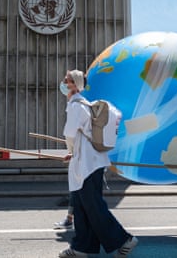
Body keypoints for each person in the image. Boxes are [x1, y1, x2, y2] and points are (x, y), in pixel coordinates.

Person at [58, 70, 138, 258]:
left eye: (67, 80)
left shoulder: (77, 106)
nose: (63, 83)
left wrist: (70, 151)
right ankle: (82, 248)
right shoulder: (81, 105)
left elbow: (69, 133)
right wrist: (73, 152)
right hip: (88, 162)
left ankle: (124, 240)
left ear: (75, 85)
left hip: (87, 165)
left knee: (93, 207)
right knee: (81, 206)